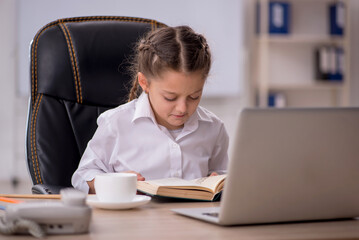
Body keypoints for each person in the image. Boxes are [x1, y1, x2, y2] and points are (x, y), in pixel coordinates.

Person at [72, 26, 229, 194]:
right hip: (134, 218)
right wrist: (112, 183)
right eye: (170, 97)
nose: (182, 108)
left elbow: (222, 174)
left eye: (194, 96)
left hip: (193, 218)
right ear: (144, 83)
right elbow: (82, 176)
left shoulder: (213, 128)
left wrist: (220, 182)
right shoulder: (117, 123)